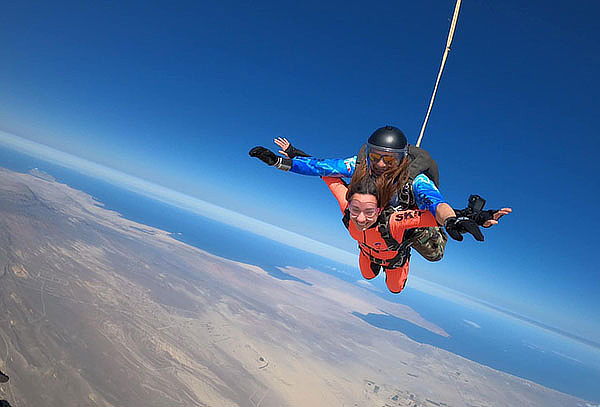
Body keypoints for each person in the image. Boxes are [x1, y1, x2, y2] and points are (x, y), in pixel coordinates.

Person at [249, 126, 511, 260]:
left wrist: (454, 219)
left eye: (390, 160)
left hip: (408, 223)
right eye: (377, 157)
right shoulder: (359, 166)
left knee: (435, 254)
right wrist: (284, 161)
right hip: (374, 220)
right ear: (369, 153)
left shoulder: (414, 180)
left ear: (402, 159)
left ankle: (407, 244)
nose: (382, 164)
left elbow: (435, 202)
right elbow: (324, 168)